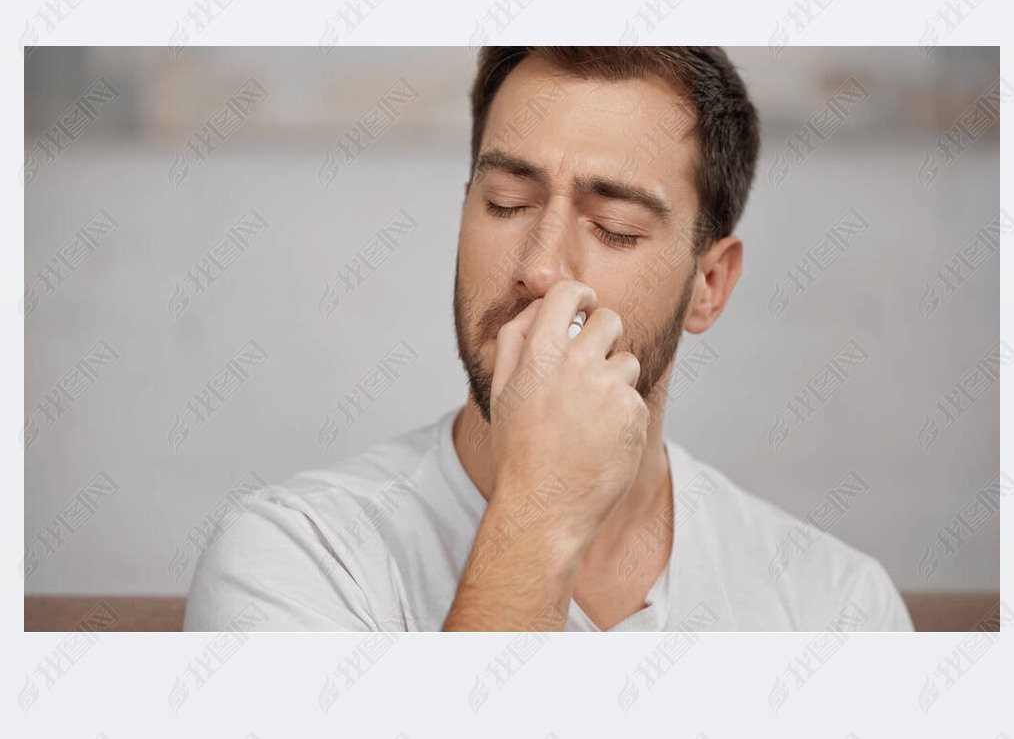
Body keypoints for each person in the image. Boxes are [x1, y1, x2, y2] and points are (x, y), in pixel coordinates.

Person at [184, 46, 913, 631]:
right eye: (506, 203)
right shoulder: (297, 559)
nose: (538, 266)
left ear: (709, 285)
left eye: (614, 227)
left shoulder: (837, 609)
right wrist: (540, 512)